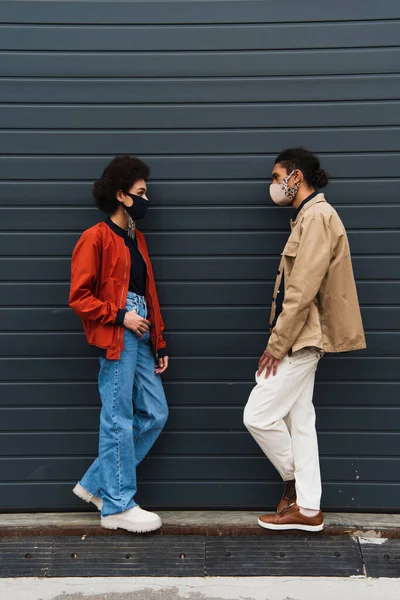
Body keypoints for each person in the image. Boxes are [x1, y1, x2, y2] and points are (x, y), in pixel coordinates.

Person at [243, 148, 366, 532]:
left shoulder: (317, 217)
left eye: (277, 175)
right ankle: (309, 508)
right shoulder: (307, 218)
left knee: (257, 415)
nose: (274, 184)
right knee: (301, 421)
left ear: (296, 177)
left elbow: (301, 290)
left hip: (301, 339)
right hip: (302, 336)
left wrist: (276, 344)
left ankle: (296, 483)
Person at [69, 155, 169, 533]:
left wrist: (158, 342)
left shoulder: (136, 239)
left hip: (141, 331)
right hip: (118, 329)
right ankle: (117, 506)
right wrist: (119, 315)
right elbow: (79, 296)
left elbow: (149, 294)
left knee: (155, 414)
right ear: (121, 196)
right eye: (141, 192)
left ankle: (96, 484)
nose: (147, 198)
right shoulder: (94, 237)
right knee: (117, 419)